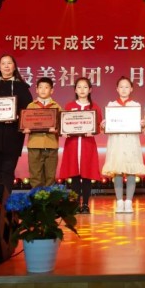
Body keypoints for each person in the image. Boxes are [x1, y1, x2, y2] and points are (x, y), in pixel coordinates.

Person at [0, 54, 33, 193]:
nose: (6, 66)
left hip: (13, 134)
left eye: (9, 63)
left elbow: (28, 110)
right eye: (3, 63)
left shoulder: (22, 87)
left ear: (14, 66)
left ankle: (7, 201)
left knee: (8, 170)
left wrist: (17, 116)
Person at [101, 77, 145, 213]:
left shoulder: (135, 105)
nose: (124, 89)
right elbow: (107, 127)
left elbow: (140, 127)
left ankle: (129, 202)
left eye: (127, 87)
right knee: (117, 171)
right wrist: (105, 125)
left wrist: (142, 125)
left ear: (131, 89)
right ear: (117, 89)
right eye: (121, 87)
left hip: (131, 141)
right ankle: (119, 202)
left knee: (131, 171)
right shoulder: (111, 105)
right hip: (116, 142)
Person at [60, 77, 102, 214]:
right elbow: (64, 124)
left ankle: (85, 204)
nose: (82, 90)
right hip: (72, 144)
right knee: (75, 176)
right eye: (79, 87)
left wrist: (94, 131)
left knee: (87, 175)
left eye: (85, 87)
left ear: (90, 90)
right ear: (75, 90)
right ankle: (76, 203)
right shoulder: (69, 106)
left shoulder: (95, 107)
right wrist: (64, 131)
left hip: (87, 144)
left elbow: (99, 126)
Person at [23, 77, 61, 188]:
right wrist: (25, 128)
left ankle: (49, 198)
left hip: (51, 145)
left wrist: (57, 129)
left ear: (52, 90)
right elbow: (25, 123)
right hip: (34, 145)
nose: (43, 90)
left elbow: (62, 126)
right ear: (36, 90)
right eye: (40, 87)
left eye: (46, 87)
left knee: (50, 176)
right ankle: (37, 198)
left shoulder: (57, 107)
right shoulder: (31, 106)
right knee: (35, 176)